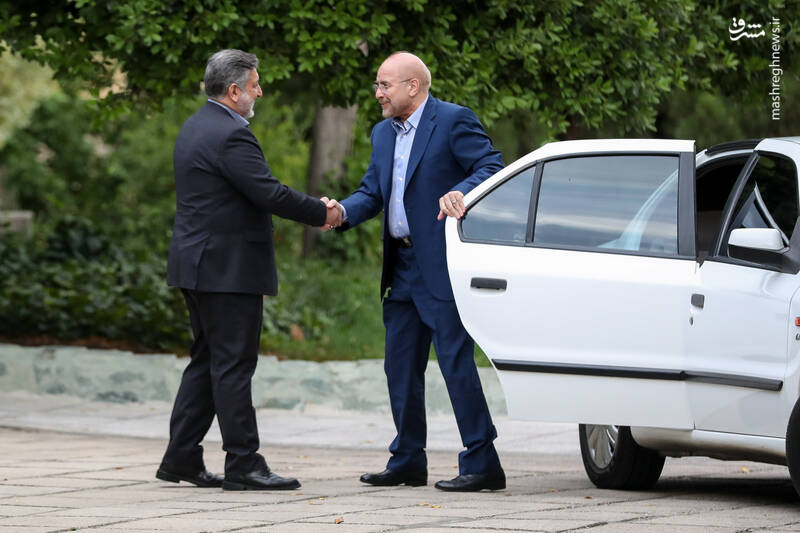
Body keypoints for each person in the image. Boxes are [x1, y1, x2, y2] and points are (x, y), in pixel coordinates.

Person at [156, 49, 341, 491]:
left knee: (207, 361)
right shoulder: (231, 135)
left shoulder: (196, 125)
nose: (260, 92)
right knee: (233, 365)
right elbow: (269, 193)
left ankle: (181, 458)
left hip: (199, 265)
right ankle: (243, 463)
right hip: (227, 269)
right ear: (234, 91)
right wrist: (323, 212)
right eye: (255, 85)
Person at [323, 51, 505, 492]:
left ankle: (483, 463)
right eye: (377, 85)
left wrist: (460, 192)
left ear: (413, 86)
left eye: (384, 85)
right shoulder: (382, 134)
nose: (378, 93)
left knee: (455, 362)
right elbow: (373, 192)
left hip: (441, 264)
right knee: (399, 366)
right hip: (401, 266)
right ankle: (407, 459)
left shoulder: (454, 120)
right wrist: (341, 212)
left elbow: (491, 167)